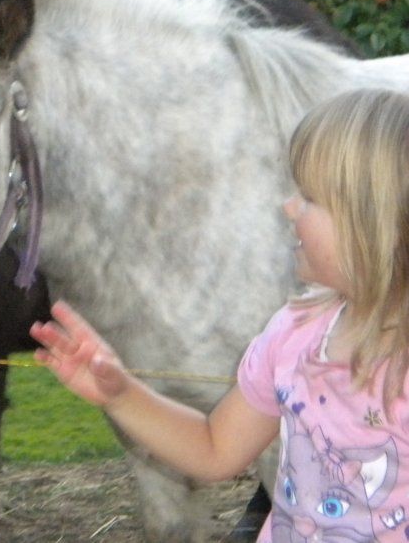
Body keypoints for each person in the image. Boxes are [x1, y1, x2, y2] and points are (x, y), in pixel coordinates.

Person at [31, 87, 409, 542]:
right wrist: (121, 394)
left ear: (373, 222)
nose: (289, 207)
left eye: (309, 197)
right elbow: (215, 448)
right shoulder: (296, 333)